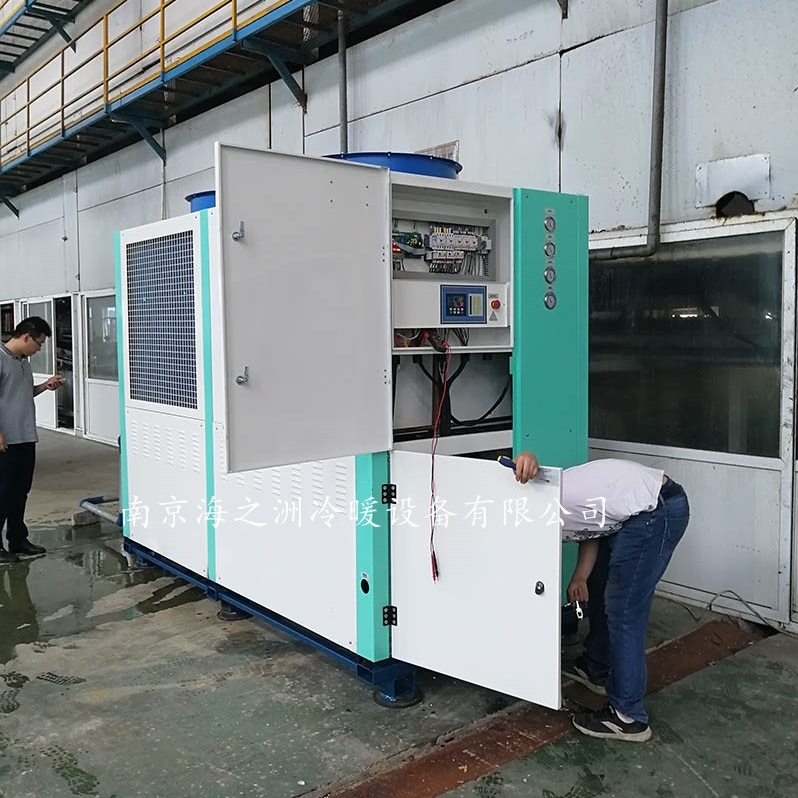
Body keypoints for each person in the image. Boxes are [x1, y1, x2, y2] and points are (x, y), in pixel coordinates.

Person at [512, 451, 690, 743]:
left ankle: (628, 717)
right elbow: (594, 527)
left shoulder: (535, 500)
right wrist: (580, 577)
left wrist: (526, 457)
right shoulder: (546, 504)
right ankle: (596, 667)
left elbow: (527, 462)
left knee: (623, 610)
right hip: (638, 509)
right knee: (598, 584)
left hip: (655, 510)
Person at [0, 317, 64, 563]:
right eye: (39, 343)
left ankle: (17, 539)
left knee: (20, 492)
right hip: (6, 441)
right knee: (3, 493)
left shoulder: (23, 362)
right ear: (26, 336)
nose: (39, 349)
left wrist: (45, 386)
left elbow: (23, 393)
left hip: (25, 437)